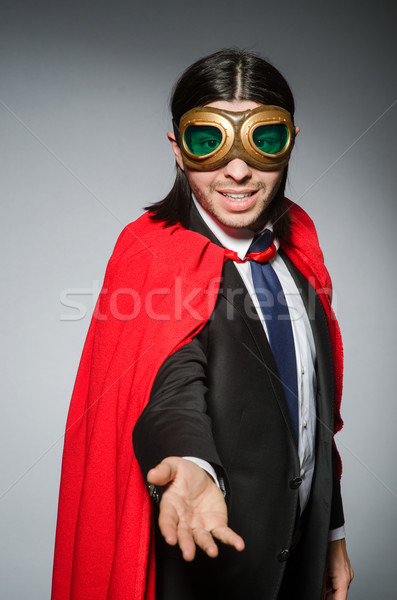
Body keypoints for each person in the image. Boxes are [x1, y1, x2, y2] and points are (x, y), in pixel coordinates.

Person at [51, 49, 353, 600]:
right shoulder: (151, 254)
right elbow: (167, 386)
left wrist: (331, 534)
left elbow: (314, 413)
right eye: (209, 140)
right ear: (177, 148)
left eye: (262, 139)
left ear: (289, 141)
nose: (237, 169)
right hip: (209, 573)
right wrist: (190, 464)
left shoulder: (301, 250)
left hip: (300, 566)